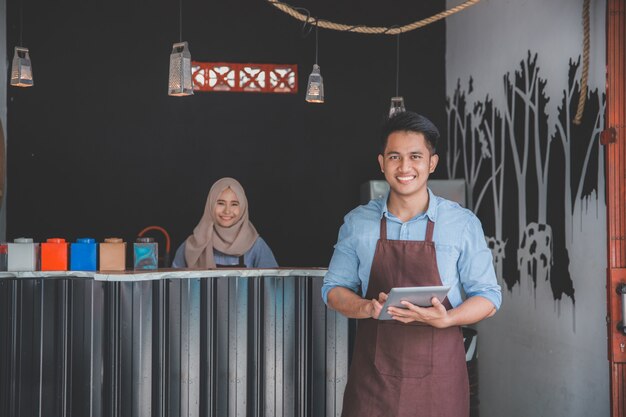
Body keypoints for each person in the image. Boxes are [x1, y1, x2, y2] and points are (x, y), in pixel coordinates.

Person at [322, 111, 501, 417]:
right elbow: (332, 290)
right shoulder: (357, 222)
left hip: (440, 381)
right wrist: (367, 308)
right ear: (382, 163)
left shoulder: (461, 223)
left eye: (415, 156)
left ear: (431, 163)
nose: (405, 167)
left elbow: (489, 296)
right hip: (373, 382)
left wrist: (449, 318)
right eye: (395, 157)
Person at [172, 177, 278, 268]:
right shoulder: (192, 245)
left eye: (234, 204)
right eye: (221, 203)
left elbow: (273, 286)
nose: (227, 211)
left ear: (243, 208)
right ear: (210, 205)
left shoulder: (256, 246)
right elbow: (174, 287)